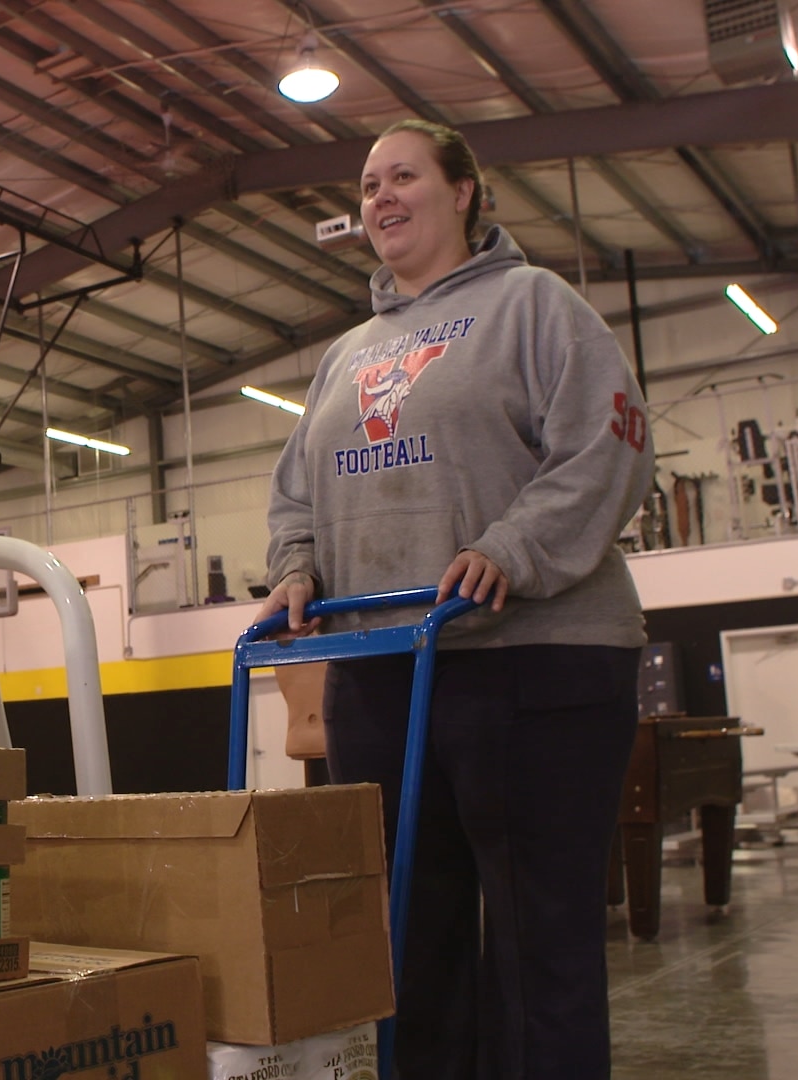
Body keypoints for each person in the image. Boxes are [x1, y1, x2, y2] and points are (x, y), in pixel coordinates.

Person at [262, 119, 654, 1079]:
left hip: (534, 659)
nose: (381, 197)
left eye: (404, 176)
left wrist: (511, 547)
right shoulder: (343, 356)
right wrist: (296, 565)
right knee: (412, 936)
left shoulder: (535, 307)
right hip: (387, 670)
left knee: (537, 938)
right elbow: (294, 491)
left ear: (464, 192)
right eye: (367, 186)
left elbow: (613, 444)